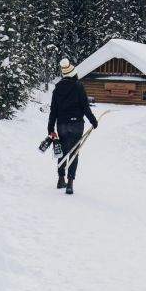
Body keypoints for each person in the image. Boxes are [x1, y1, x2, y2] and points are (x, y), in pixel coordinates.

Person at [48, 58, 98, 195]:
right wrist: (93, 121)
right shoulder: (78, 87)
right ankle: (70, 183)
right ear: (73, 73)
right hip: (76, 124)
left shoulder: (57, 89)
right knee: (74, 152)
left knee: (62, 151)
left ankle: (60, 179)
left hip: (62, 124)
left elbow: (53, 111)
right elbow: (85, 106)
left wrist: (50, 129)